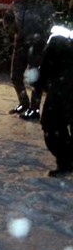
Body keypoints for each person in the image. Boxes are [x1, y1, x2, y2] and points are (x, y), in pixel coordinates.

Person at [6, 0, 56, 120]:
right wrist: (12, 29)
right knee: (15, 76)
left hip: (37, 44)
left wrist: (42, 36)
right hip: (20, 43)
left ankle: (34, 109)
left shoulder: (45, 6)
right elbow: (8, 18)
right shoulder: (18, 4)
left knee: (35, 78)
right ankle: (24, 103)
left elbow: (50, 23)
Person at [37, 22, 73, 177]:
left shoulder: (60, 34)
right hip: (62, 86)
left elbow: (48, 62)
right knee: (53, 126)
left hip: (62, 88)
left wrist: (40, 82)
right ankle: (66, 160)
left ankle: (66, 161)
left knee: (52, 126)